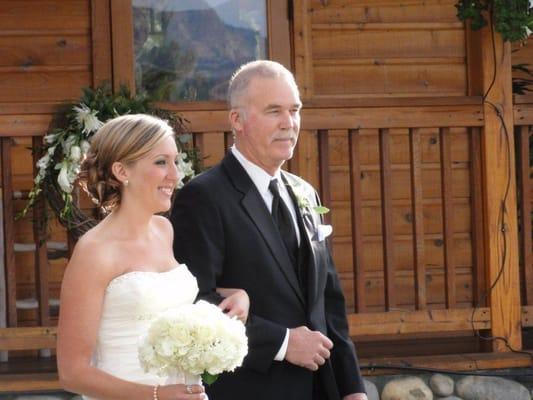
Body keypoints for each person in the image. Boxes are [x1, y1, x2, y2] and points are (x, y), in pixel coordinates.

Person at [171, 61, 368, 400]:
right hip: (252, 388)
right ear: (237, 120)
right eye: (274, 111)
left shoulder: (306, 193)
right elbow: (195, 302)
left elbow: (328, 303)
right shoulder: (203, 197)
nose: (289, 123)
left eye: (294, 110)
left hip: (322, 390)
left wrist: (352, 388)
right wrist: (283, 342)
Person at [57, 114, 249, 400]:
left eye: (175, 161)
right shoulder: (94, 251)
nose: (175, 174)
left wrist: (236, 296)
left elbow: (166, 301)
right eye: (161, 162)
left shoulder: (164, 230)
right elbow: (72, 373)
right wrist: (156, 395)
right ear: (122, 171)